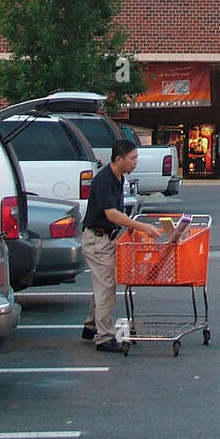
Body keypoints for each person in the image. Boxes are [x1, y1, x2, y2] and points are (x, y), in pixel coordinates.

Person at [81, 139, 159, 353]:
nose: (136, 162)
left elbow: (119, 214)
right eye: (132, 158)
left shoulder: (118, 178)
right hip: (97, 239)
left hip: (107, 237)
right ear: (118, 159)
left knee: (104, 282)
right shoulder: (104, 180)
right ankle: (104, 336)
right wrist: (141, 226)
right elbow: (112, 214)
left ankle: (91, 325)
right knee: (106, 285)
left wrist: (130, 228)